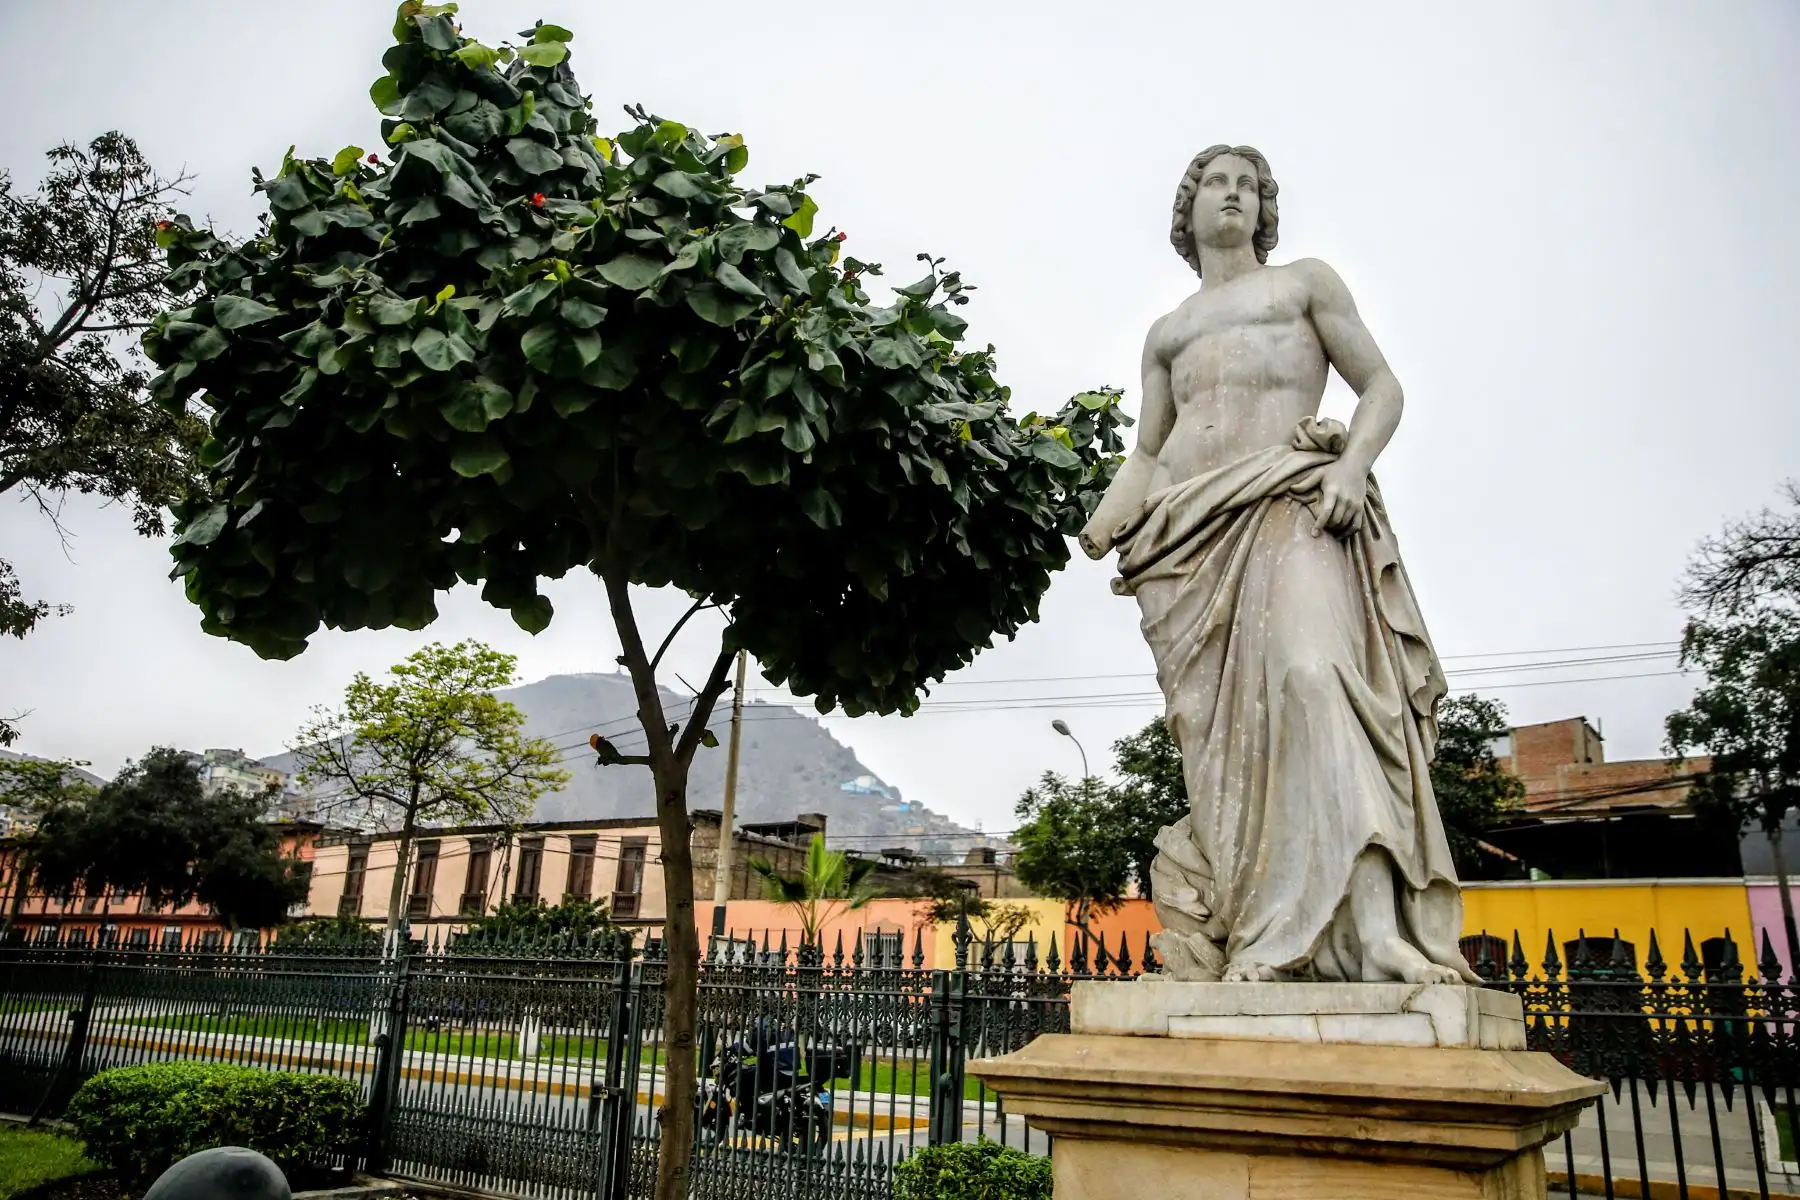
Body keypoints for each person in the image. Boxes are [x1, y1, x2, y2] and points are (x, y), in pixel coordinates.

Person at [1080, 145, 1476, 986]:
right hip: (1190, 545)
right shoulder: (1168, 333)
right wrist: (1104, 522)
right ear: (1186, 214)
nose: (1233, 195)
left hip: (1296, 505)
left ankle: (1376, 933)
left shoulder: (1305, 283)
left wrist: (1351, 465)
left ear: (1265, 209)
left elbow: (1381, 387)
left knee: (1316, 678)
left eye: (1248, 185)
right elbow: (1148, 451)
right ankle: (1263, 931)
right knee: (1223, 750)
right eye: (1216, 185)